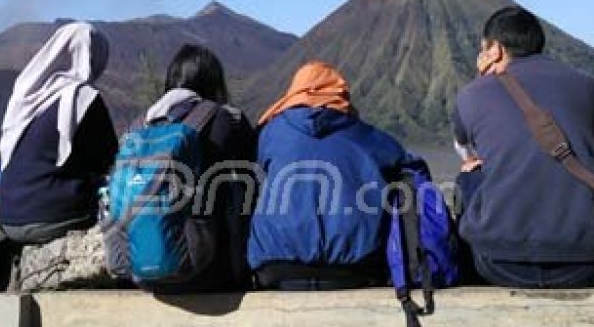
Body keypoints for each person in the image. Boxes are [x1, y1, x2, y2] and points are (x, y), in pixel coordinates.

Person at [454, 6, 594, 288]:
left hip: (500, 264)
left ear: (495, 50)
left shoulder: (472, 95)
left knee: (470, 173)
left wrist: (482, 81)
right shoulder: (591, 87)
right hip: (586, 261)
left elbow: (469, 153)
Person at [248, 61, 408, 290]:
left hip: (276, 268)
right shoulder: (364, 135)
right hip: (353, 269)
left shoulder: (271, 133)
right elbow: (403, 159)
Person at [135, 44, 257, 291]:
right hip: (209, 273)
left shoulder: (140, 125)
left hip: (144, 274)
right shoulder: (224, 120)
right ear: (213, 81)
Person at [0, 22, 119, 245]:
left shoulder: (25, 97)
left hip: (8, 219)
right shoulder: (83, 98)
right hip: (53, 216)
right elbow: (111, 160)